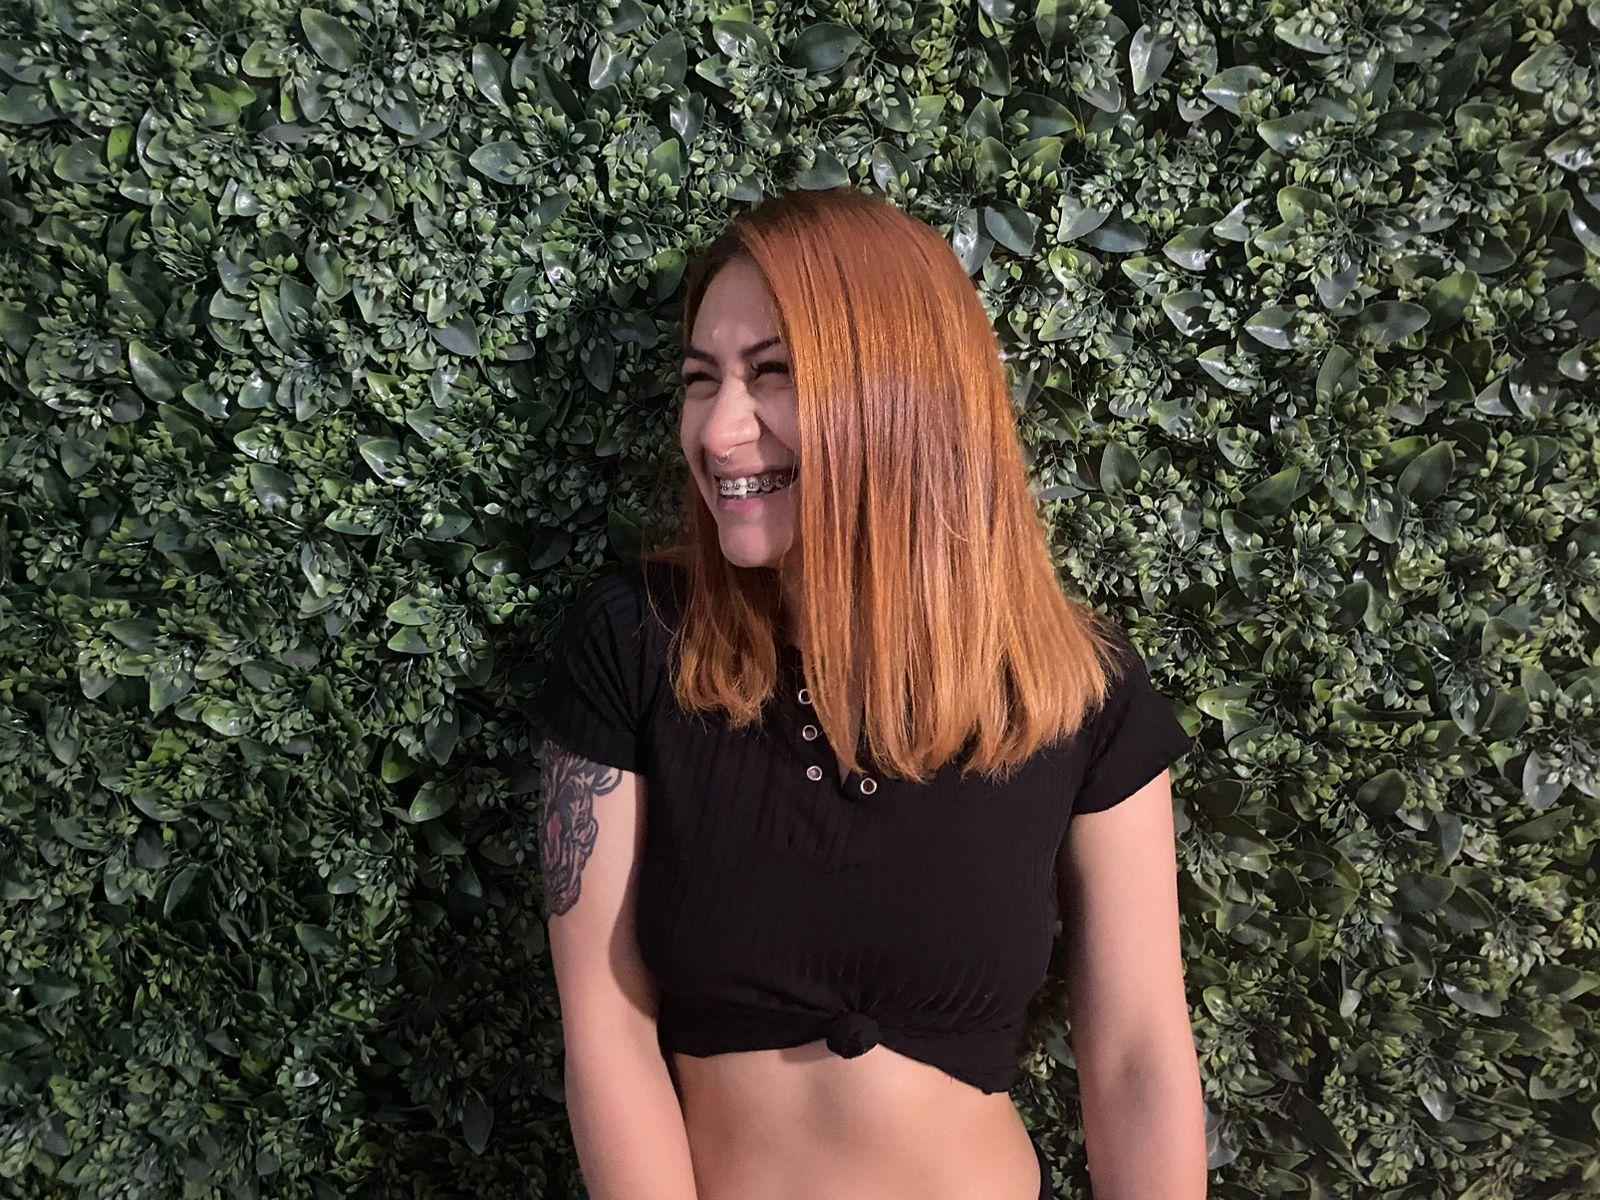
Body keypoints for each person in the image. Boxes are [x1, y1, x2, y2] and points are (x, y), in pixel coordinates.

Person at [533, 186, 1208, 1200]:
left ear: (901, 394)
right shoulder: (637, 642)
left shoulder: (1073, 686)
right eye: (700, 380)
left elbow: (1139, 1055)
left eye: (774, 375)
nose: (718, 430)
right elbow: (605, 1031)